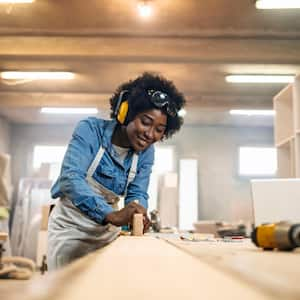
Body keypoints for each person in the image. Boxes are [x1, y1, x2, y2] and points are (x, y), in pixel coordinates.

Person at [47, 72, 186, 270]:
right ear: (126, 113)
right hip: (71, 230)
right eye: (145, 122)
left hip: (107, 235)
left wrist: (137, 213)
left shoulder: (146, 152)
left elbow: (137, 193)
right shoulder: (90, 130)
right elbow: (70, 178)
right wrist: (111, 215)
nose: (150, 134)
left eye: (159, 129)